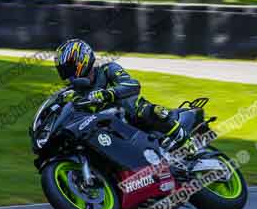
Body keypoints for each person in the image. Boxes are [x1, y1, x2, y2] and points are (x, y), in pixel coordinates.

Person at [54, 39, 188, 151]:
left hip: (132, 116)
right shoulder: (75, 92)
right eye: (64, 72)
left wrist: (108, 94)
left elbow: (133, 85)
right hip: (110, 130)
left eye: (69, 69)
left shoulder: (108, 69)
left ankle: (184, 140)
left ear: (82, 59)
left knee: (141, 109)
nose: (68, 75)